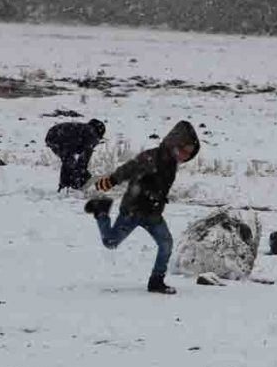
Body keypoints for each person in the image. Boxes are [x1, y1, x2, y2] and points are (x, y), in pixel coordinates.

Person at [84, 120, 200, 294]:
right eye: (184, 150)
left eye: (188, 153)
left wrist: (159, 196)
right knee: (111, 242)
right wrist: (111, 181)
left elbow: (158, 184)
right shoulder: (151, 157)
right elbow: (129, 168)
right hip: (133, 210)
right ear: (174, 144)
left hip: (153, 213)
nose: (184, 155)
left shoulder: (171, 163)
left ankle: (156, 281)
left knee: (166, 243)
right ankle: (100, 210)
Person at [45, 119, 106, 191]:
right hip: (58, 137)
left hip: (53, 134)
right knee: (70, 162)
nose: (97, 141)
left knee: (69, 161)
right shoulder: (92, 134)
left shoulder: (83, 129)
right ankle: (68, 186)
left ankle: (66, 186)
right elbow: (84, 158)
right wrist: (83, 174)